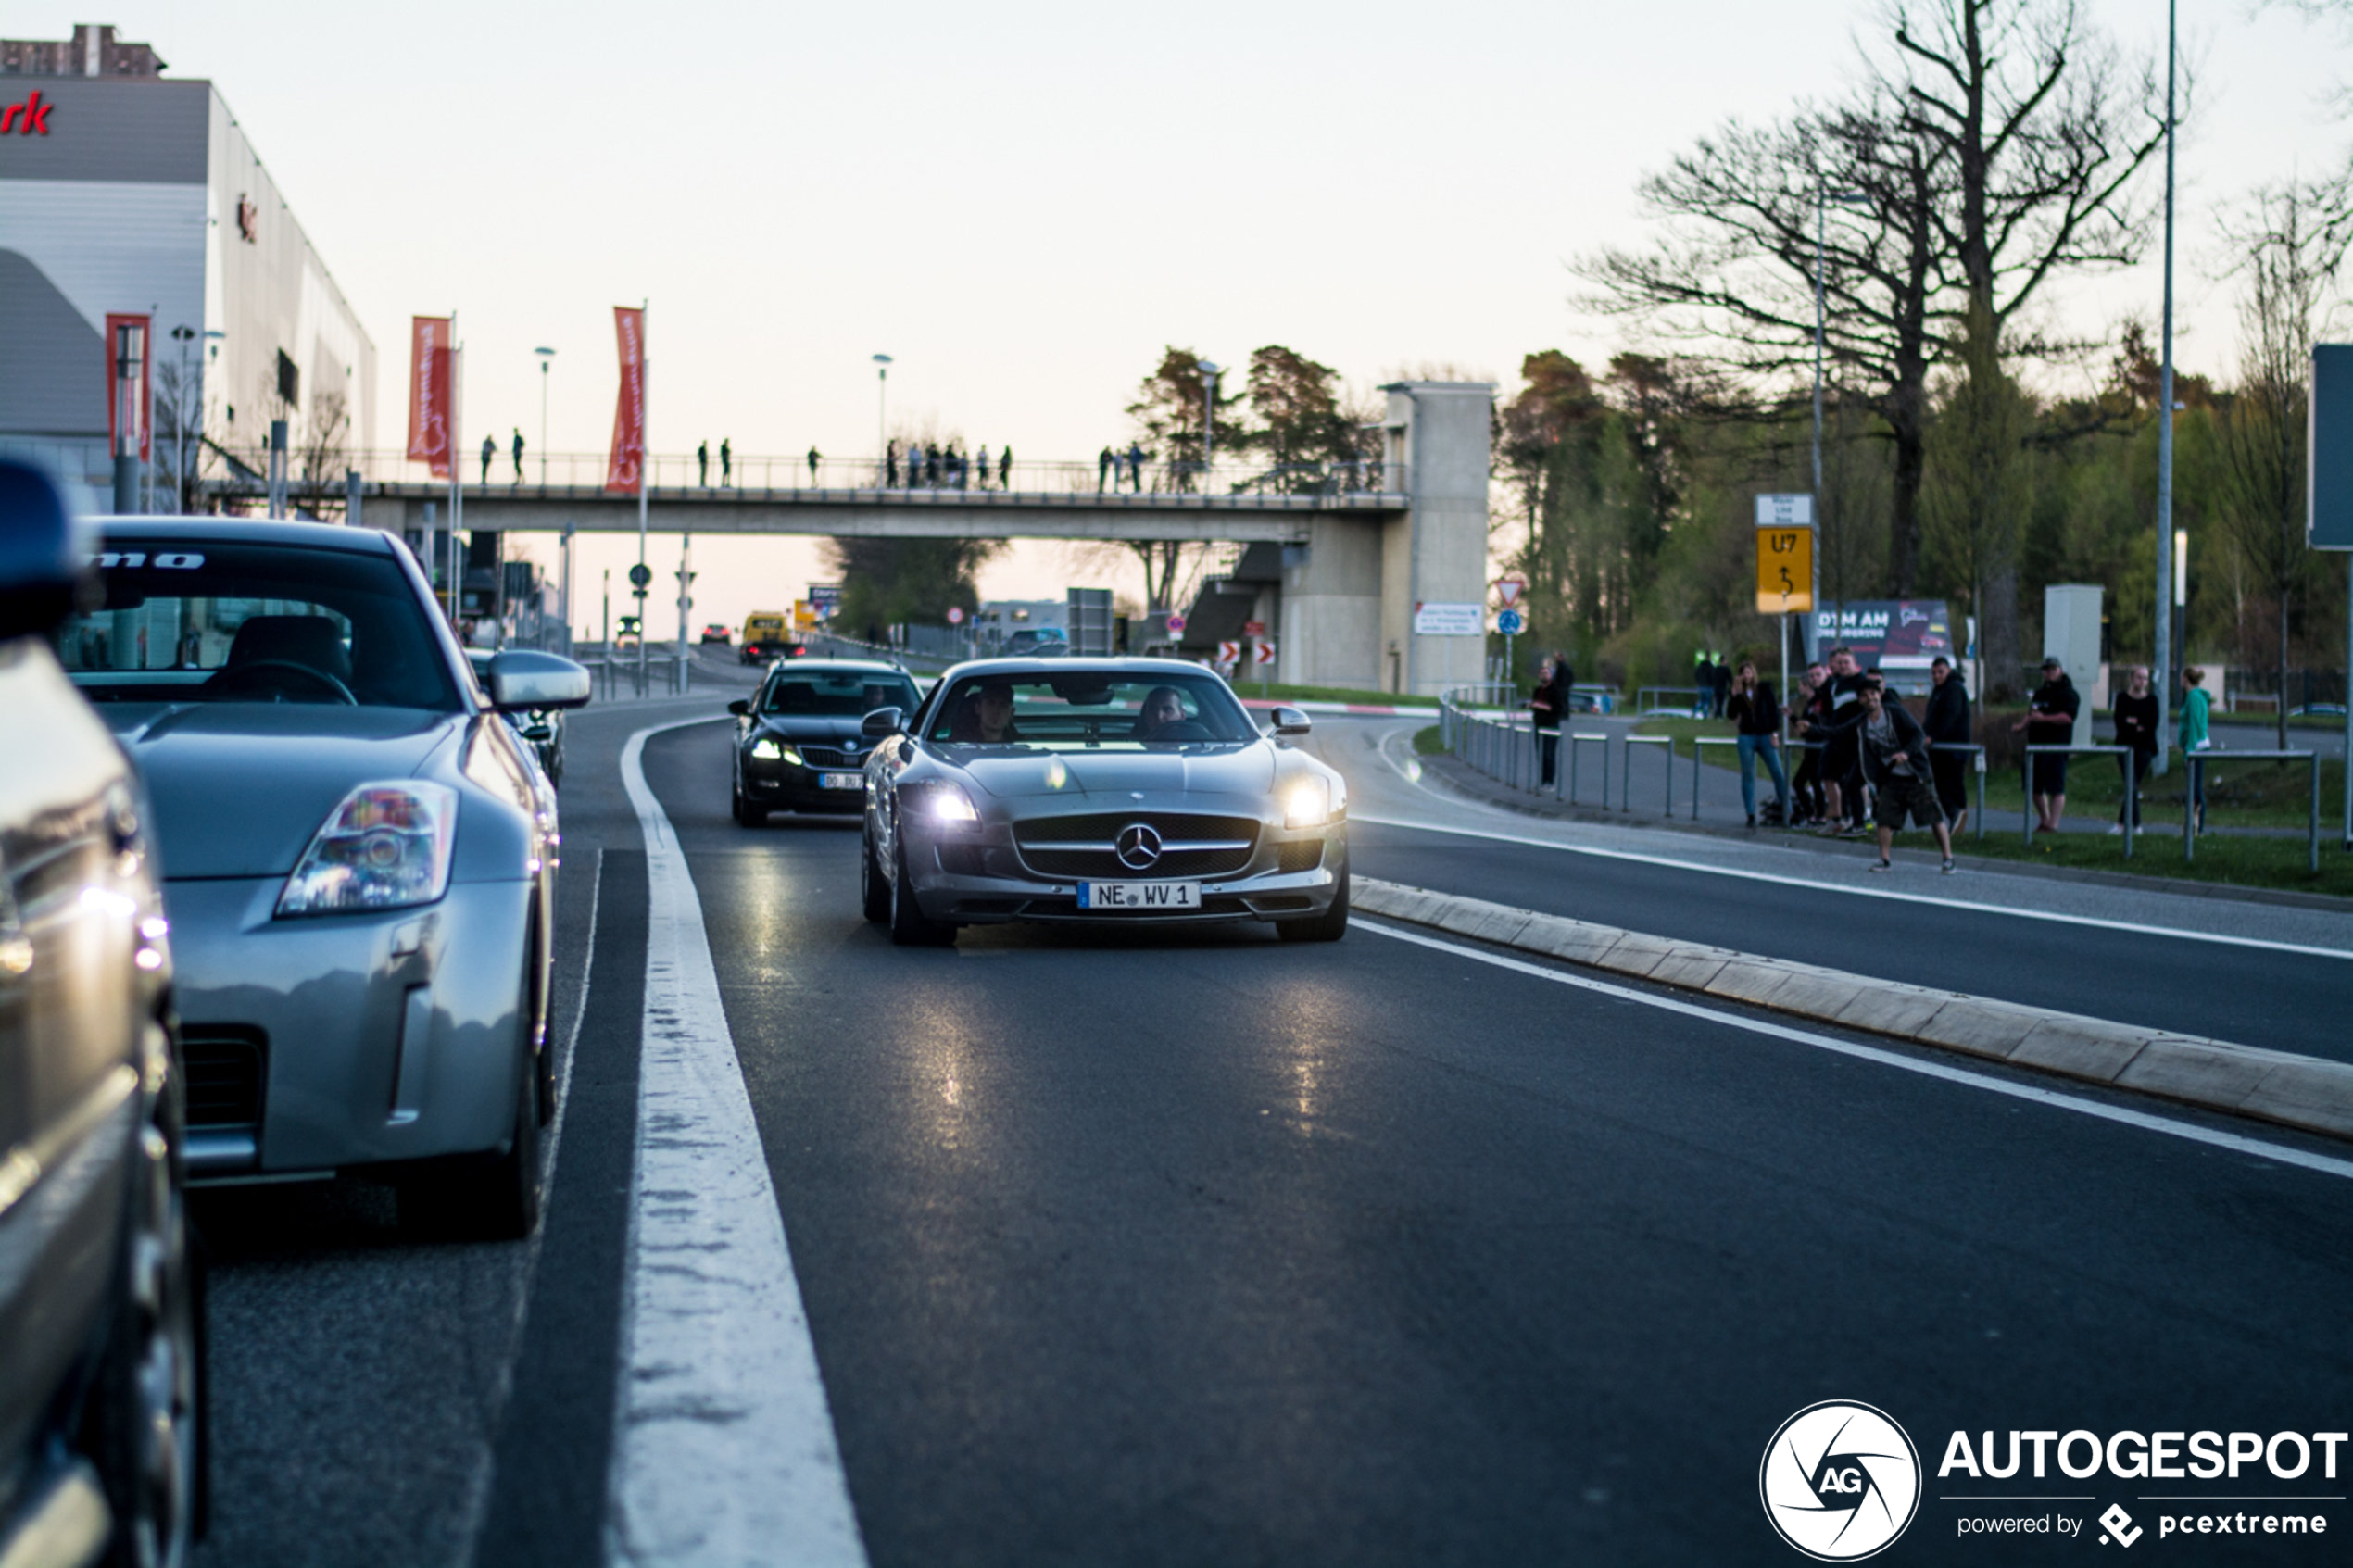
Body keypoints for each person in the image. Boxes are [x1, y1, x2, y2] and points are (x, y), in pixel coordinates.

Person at [1856, 676, 1957, 873]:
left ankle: (1948, 857)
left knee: (1933, 816)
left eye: (1873, 694)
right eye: (1865, 696)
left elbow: (1918, 735)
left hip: (1915, 774)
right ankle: (1884, 859)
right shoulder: (1863, 726)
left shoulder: (1895, 713)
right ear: (1860, 700)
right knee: (1884, 819)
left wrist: (1906, 753)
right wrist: (1876, 782)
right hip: (1891, 778)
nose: (1870, 698)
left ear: (1880, 695)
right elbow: (1867, 757)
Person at [2013, 656, 2081, 834]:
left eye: (2053, 669)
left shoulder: (2068, 694)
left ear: (2060, 670)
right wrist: (2022, 725)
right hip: (2035, 746)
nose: (2049, 673)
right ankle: (2044, 819)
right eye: (2046, 670)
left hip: (2056, 746)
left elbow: (2067, 717)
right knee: (2033, 786)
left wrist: (2044, 719)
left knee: (2056, 787)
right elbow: (2032, 713)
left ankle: (2053, 824)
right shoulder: (2040, 693)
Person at [1725, 660, 1789, 828]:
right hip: (1747, 735)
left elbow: (1774, 712)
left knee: (1777, 772)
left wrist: (1775, 733)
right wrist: (1734, 695)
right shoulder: (1739, 693)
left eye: (1749, 673)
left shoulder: (1765, 689)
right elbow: (1731, 714)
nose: (1746, 676)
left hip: (1765, 734)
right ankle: (1750, 813)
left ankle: (1787, 810)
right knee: (1748, 774)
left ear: (1753, 673)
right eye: (1743, 673)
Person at [1922, 656, 1971, 835]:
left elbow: (1950, 717)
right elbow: (1931, 718)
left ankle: (1957, 812)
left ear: (1948, 671)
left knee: (1951, 783)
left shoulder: (1954, 690)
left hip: (1952, 747)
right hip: (1940, 747)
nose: (1936, 676)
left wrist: (1934, 737)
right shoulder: (1938, 691)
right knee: (1941, 784)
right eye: (1934, 673)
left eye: (1940, 672)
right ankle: (1955, 816)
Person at [2109, 664, 2158, 833]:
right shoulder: (2122, 698)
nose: (2142, 681)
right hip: (2125, 747)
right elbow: (2120, 723)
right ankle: (2133, 825)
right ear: (2131, 678)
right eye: (2139, 677)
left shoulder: (2152, 701)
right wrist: (2136, 726)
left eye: (2145, 678)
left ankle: (2124, 824)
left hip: (2145, 748)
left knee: (2133, 784)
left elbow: (2151, 725)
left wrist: (2135, 724)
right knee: (2131, 784)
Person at [1787, 662, 1829, 826]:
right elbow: (1805, 724)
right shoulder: (1810, 704)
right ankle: (1812, 814)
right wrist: (1792, 717)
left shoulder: (1822, 699)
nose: (1815, 679)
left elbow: (1819, 724)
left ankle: (1819, 815)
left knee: (1814, 782)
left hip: (1819, 747)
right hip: (1810, 747)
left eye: (1818, 675)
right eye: (1812, 676)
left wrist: (1807, 728)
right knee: (1805, 782)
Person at [2179, 664, 2213, 833]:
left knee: (2196, 789)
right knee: (2194, 787)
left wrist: (2188, 753)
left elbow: (2193, 726)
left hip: (2196, 748)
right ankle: (2194, 826)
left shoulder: (2193, 697)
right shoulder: (2196, 696)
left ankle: (2198, 827)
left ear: (2185, 679)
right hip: (2198, 746)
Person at [1530, 653, 1572, 785]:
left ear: (1550, 675)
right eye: (1542, 673)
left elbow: (1558, 708)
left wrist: (1541, 706)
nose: (1544, 676)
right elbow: (1535, 705)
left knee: (1549, 754)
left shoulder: (1556, 690)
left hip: (1551, 725)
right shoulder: (1537, 690)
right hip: (1539, 724)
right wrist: (1534, 706)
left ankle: (1549, 781)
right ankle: (1542, 780)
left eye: (1546, 673)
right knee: (1541, 754)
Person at [949, 680, 1019, 744]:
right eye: (991, 703)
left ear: (1011, 713)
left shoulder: (1020, 746)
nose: (996, 711)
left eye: (1003, 705)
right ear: (978, 708)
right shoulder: (959, 745)